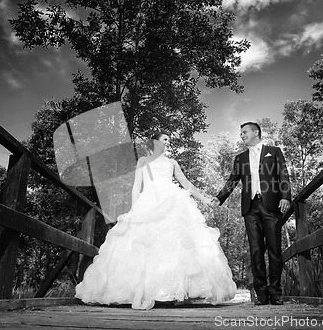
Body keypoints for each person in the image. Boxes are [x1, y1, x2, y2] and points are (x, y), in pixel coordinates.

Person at [75, 131, 236, 310]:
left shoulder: (172, 163)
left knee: (176, 243)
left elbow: (187, 184)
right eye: (165, 139)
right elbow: (137, 186)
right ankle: (148, 290)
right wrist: (134, 209)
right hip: (149, 201)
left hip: (172, 200)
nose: (168, 142)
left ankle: (175, 291)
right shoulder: (143, 161)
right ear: (155, 142)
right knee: (144, 243)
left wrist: (205, 198)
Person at [211, 122, 291, 305]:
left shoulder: (274, 151)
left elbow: (283, 175)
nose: (242, 135)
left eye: (244, 132)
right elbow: (232, 180)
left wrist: (285, 196)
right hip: (250, 208)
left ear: (256, 132)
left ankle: (276, 292)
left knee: (274, 250)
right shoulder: (240, 158)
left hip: (271, 205)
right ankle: (261, 294)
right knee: (256, 251)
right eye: (241, 133)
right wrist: (219, 198)